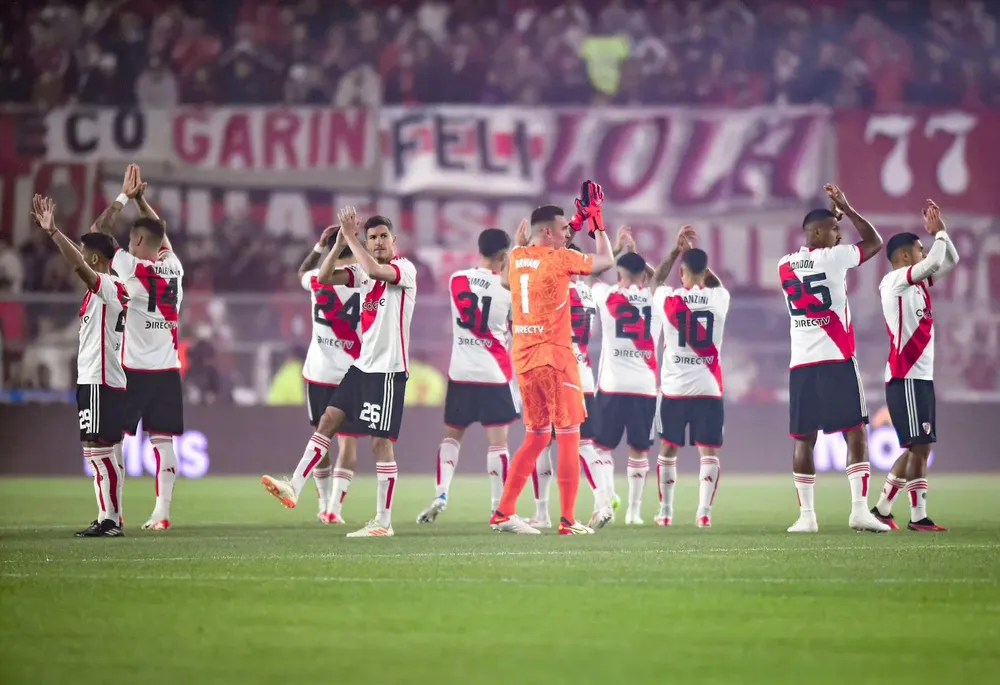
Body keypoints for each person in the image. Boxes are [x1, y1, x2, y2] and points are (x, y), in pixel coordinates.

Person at [261, 209, 416, 538]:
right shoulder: (361, 274)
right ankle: (294, 487)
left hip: (387, 372)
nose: (377, 242)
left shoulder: (403, 269)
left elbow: (374, 269)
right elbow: (325, 276)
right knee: (328, 422)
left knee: (379, 444)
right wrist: (335, 247)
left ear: (393, 240)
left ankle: (383, 522)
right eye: (371, 237)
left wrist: (350, 238)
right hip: (360, 368)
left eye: (382, 237)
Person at [489, 181, 616, 535]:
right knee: (571, 436)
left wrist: (573, 221)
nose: (567, 235)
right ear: (547, 232)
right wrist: (598, 224)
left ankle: (504, 512)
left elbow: (505, 282)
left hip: (525, 361)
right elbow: (605, 261)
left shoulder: (516, 259)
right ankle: (568, 520)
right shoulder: (559, 258)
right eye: (562, 231)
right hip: (557, 358)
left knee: (536, 437)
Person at [778, 184, 888, 533]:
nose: (839, 235)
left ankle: (807, 517)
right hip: (837, 358)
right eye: (834, 229)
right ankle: (858, 510)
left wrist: (833, 218)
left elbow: (816, 254)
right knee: (855, 433)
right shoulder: (835, 257)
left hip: (802, 364)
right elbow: (874, 242)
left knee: (803, 438)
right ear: (816, 232)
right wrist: (849, 208)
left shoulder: (784, 264)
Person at [92, 164, 185, 531]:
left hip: (132, 369)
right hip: (167, 370)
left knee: (111, 438)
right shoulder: (174, 267)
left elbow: (97, 233)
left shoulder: (130, 267)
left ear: (139, 245)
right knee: (163, 442)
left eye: (132, 241)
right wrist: (142, 200)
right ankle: (162, 513)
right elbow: (161, 236)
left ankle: (113, 511)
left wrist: (123, 198)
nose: (128, 246)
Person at [33, 194, 129, 537]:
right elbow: (92, 241)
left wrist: (54, 233)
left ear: (94, 258)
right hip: (95, 379)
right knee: (99, 451)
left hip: (101, 380)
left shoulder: (110, 286)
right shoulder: (102, 289)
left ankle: (111, 520)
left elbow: (78, 264)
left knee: (99, 450)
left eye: (85, 251)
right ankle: (108, 516)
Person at [417, 228, 517, 523]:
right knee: (498, 443)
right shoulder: (509, 290)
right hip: (494, 373)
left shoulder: (456, 280)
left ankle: (441, 493)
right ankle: (498, 507)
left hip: (460, 373)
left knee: (451, 437)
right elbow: (514, 323)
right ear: (503, 255)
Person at [872, 200, 958, 532]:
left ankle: (883, 509)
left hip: (920, 377)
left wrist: (943, 235)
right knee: (917, 445)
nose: (926, 256)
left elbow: (950, 260)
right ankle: (915, 516)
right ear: (905, 257)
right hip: (905, 375)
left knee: (918, 445)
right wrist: (937, 235)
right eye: (919, 251)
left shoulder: (917, 283)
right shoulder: (894, 281)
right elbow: (937, 258)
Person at [650, 227, 730, 528]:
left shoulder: (669, 299)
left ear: (682, 272)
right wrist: (699, 263)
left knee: (668, 450)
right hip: (709, 388)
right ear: (705, 271)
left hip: (674, 389)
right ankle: (704, 513)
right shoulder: (720, 298)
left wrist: (675, 251)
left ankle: (666, 512)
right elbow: (716, 283)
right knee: (708, 452)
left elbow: (655, 280)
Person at [296, 226, 362, 525]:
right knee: (348, 443)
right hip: (352, 374)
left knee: (319, 438)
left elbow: (302, 271)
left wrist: (320, 246)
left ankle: (323, 503)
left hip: (318, 372)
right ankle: (334, 506)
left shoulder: (317, 279)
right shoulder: (367, 281)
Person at [590, 248, 661, 525]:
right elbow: (662, 283)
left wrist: (617, 250)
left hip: (612, 385)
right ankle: (634, 512)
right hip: (644, 386)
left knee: (601, 448)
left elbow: (591, 273)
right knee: (639, 450)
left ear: (618, 274)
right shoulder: (654, 297)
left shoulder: (607, 295)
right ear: (644, 274)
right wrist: (646, 269)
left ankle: (607, 501)